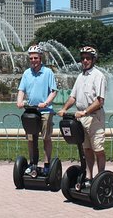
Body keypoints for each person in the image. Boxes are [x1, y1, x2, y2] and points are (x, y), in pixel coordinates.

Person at [58, 46, 107, 184]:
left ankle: (101, 178)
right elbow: (73, 97)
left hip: (94, 117)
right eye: (83, 58)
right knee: (87, 149)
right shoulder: (80, 77)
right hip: (81, 118)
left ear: (93, 60)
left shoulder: (99, 76)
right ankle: (89, 177)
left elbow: (100, 100)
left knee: (98, 149)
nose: (85, 61)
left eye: (88, 58)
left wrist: (85, 112)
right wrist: (64, 109)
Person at [16, 44, 58, 175]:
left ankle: (46, 164)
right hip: (30, 111)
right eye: (31, 58)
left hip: (45, 111)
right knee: (30, 138)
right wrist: (19, 101)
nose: (33, 60)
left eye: (36, 58)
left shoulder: (48, 72)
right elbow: (21, 90)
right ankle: (32, 163)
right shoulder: (26, 73)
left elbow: (53, 91)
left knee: (45, 138)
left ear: (41, 58)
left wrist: (46, 103)